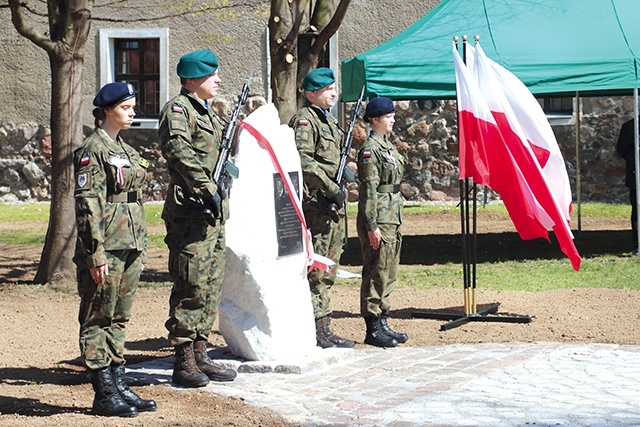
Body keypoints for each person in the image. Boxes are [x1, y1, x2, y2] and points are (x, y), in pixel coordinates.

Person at [73, 82, 157, 417]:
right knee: (99, 315)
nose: (133, 112)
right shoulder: (93, 150)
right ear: (107, 110)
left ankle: (119, 381)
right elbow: (87, 203)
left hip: (130, 241)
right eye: (126, 107)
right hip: (107, 245)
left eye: (133, 106)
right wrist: (94, 253)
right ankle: (103, 390)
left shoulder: (122, 149)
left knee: (120, 316)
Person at [158, 49, 237, 388]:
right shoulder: (178, 110)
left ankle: (201, 350)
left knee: (210, 282)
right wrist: (206, 186)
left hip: (213, 212)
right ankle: (183, 358)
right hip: (191, 210)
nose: (218, 80)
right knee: (190, 282)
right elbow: (178, 151)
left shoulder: (207, 112)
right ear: (191, 80)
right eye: (211, 75)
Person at [288, 68, 355, 349]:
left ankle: (324, 325)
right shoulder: (305, 121)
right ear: (311, 93)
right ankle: (317, 328)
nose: (334, 93)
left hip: (331, 206)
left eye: (334, 88)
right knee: (318, 269)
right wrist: (331, 187)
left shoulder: (327, 121)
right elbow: (303, 160)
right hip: (318, 205)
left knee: (329, 267)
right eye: (328, 89)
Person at [356, 97, 408, 348]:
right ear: (375, 119)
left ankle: (383, 321)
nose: (393, 119)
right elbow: (369, 190)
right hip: (379, 218)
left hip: (392, 217)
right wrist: (371, 225)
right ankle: (372, 326)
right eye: (388, 116)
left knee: (389, 271)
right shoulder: (370, 149)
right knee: (376, 271)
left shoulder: (388, 147)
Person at [616, 117, 639, 252]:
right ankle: (637, 245)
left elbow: (621, 150)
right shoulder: (630, 126)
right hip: (636, 176)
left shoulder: (629, 125)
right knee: (637, 211)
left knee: (637, 211)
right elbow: (622, 149)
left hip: (634, 175)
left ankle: (637, 245)